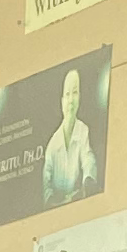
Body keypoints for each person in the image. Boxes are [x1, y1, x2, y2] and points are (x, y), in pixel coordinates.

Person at [42, 65, 102, 205]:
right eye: (67, 94)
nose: (70, 100)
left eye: (74, 93)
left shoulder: (83, 130)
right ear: (62, 100)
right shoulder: (53, 144)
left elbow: (88, 159)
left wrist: (88, 180)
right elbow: (46, 183)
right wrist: (51, 199)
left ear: (80, 97)